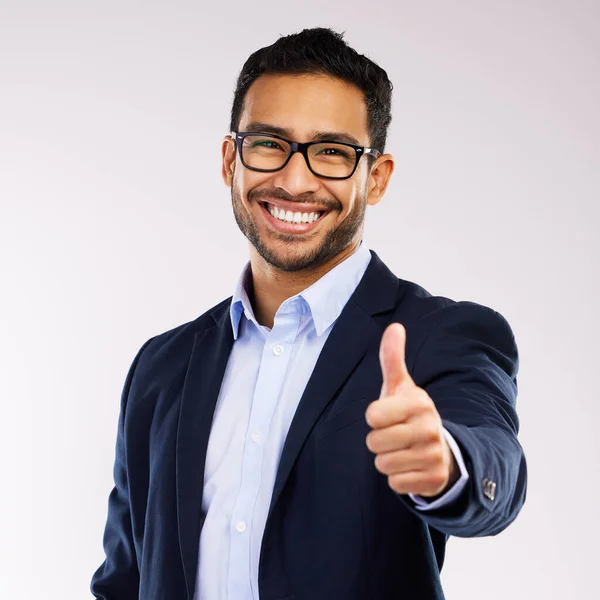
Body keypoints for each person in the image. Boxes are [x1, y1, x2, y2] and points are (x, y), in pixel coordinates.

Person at [90, 27, 527, 600]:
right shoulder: (161, 365)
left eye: (331, 153)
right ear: (231, 160)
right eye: (269, 143)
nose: (295, 181)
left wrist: (446, 464)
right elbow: (125, 580)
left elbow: (496, 464)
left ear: (377, 177)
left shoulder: (439, 336)